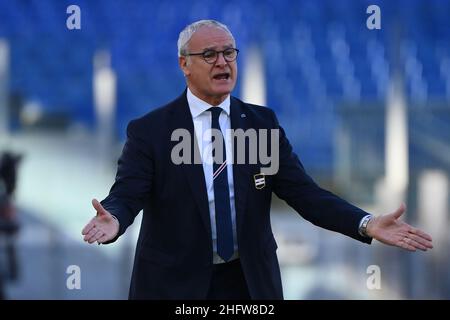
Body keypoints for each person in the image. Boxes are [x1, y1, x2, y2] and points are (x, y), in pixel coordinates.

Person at [81, 19, 433, 299]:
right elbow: (129, 192)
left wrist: (366, 223)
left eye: (229, 53)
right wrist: (113, 218)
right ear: (184, 65)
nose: (222, 62)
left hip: (248, 284)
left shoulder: (262, 124)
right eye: (209, 55)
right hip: (174, 285)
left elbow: (305, 194)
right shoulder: (151, 131)